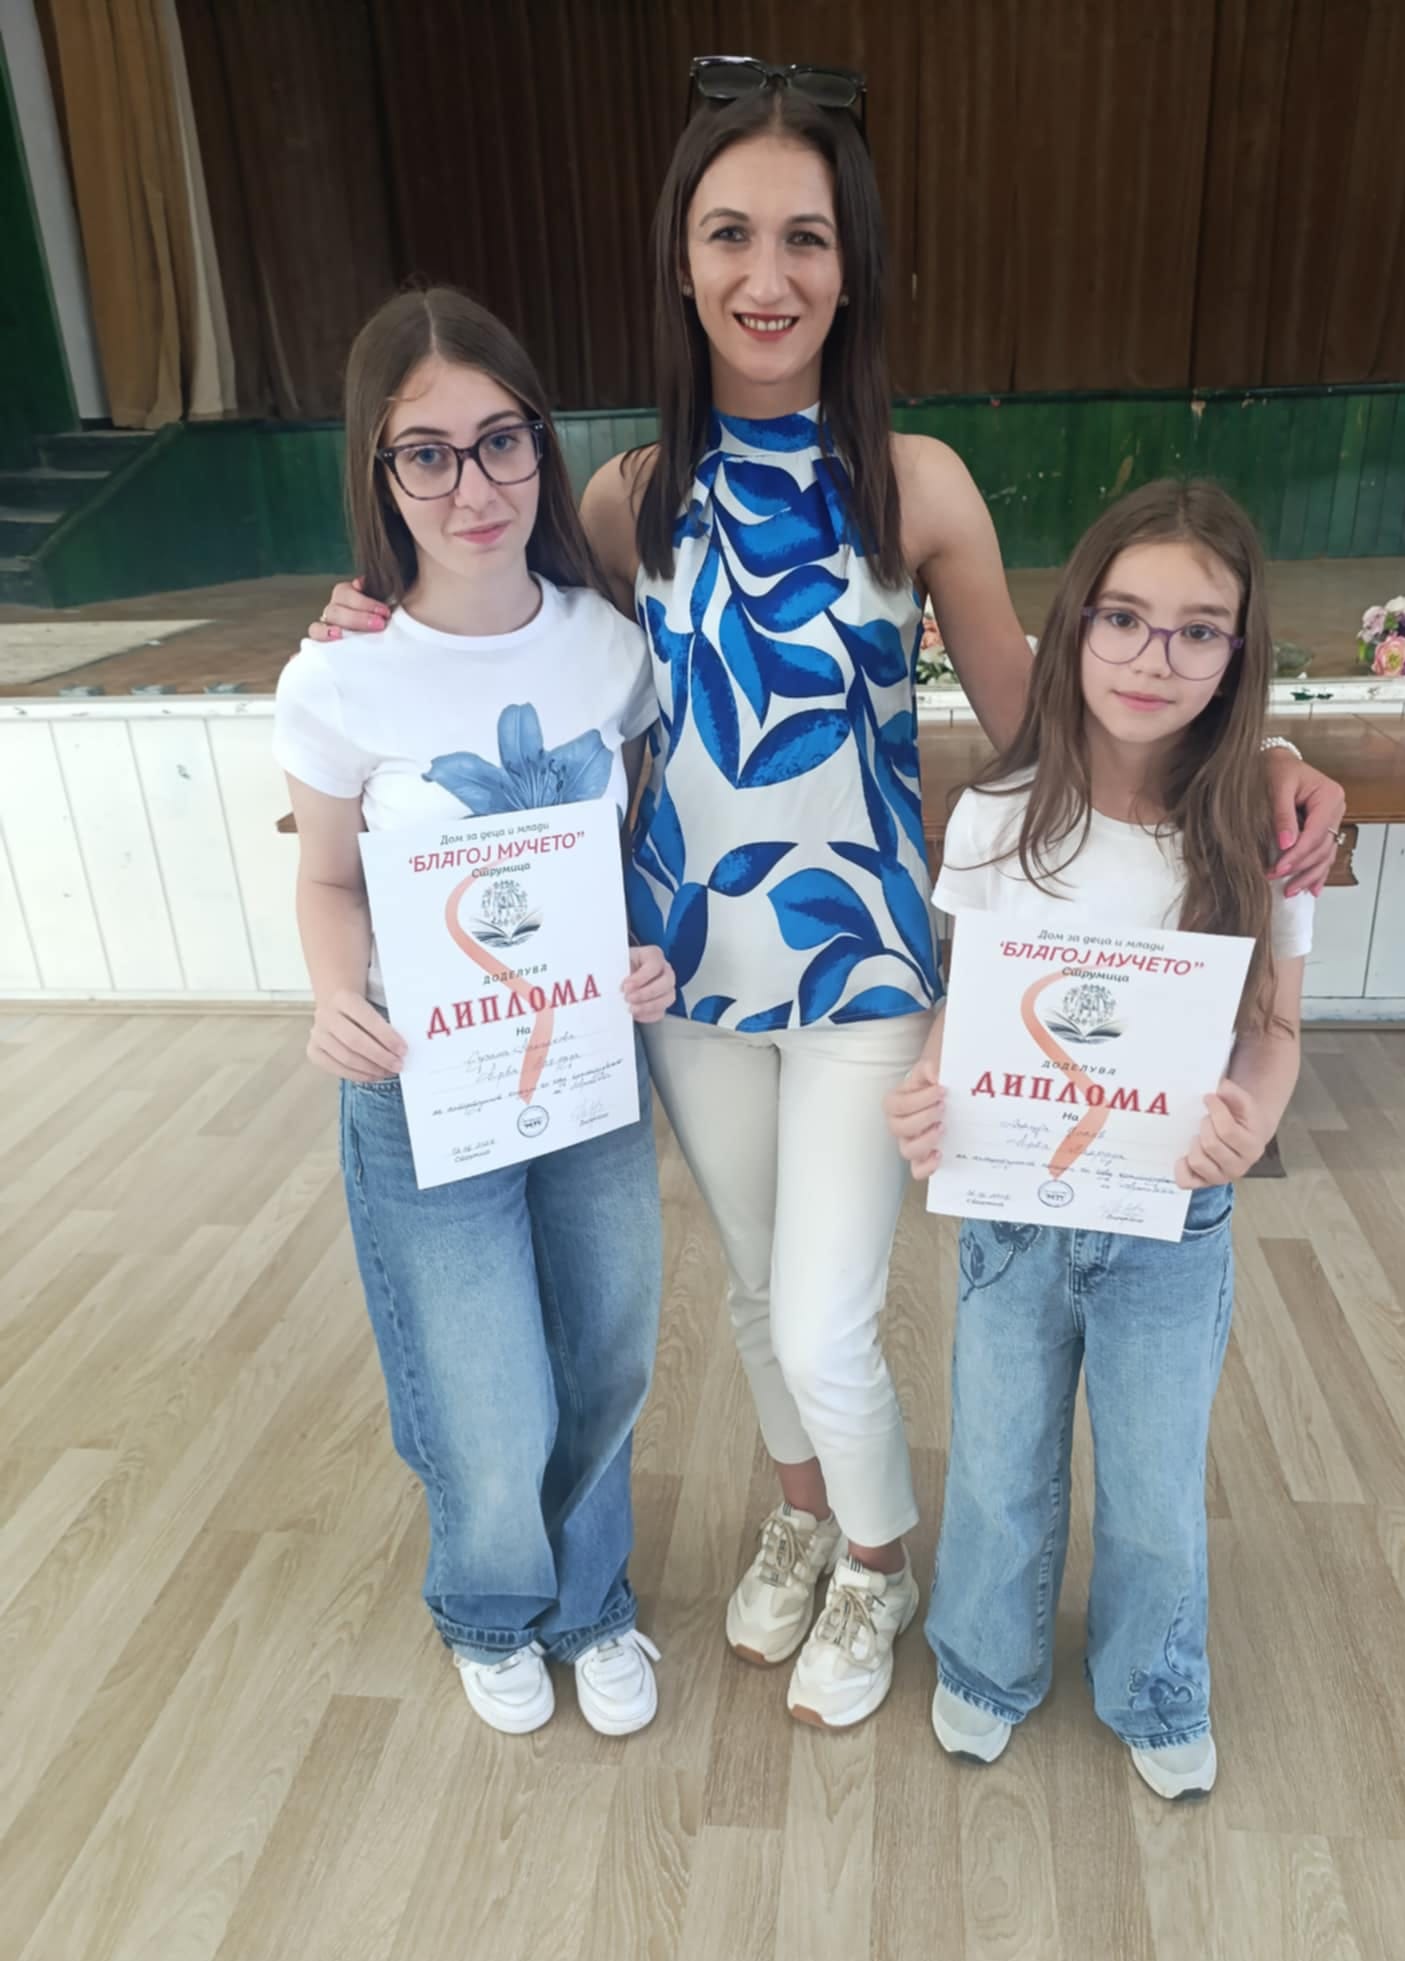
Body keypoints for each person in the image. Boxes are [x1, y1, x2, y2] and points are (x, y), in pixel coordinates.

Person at [311, 64, 1346, 1731]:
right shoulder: (621, 497)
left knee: (823, 1320)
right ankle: (801, 1517)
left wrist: (1268, 747)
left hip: (863, 963)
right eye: (728, 233)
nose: (766, 273)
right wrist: (361, 618)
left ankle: (878, 1559)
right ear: (681, 260)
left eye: (804, 237)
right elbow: (495, 637)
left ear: (851, 266)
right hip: (680, 966)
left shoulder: (915, 483)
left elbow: (1048, 723)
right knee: (747, 1289)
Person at [275, 287, 675, 1741]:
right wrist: (336, 994)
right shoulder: (340, 678)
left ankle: (590, 1597)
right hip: (420, 1083)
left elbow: (637, 860)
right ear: (378, 471)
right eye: (427, 454)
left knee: (609, 1348)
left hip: (586, 1069)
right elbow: (328, 879)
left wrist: (647, 960)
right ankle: (493, 1604)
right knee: (484, 1384)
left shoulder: (611, 650)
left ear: (542, 446)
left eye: (502, 441)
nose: (474, 486)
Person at [886, 478, 1311, 1797]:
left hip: (1171, 1221)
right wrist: (930, 1086)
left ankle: (1154, 1683)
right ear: (1072, 626)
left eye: (1198, 630)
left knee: (1154, 1481)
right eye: (1122, 618)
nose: (1152, 656)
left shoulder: (1255, 834)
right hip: (1013, 1214)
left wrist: (1251, 1121)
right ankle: (982, 1663)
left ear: (1237, 652)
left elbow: (1275, 1031)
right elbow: (967, 1006)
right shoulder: (1001, 816)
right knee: (996, 1463)